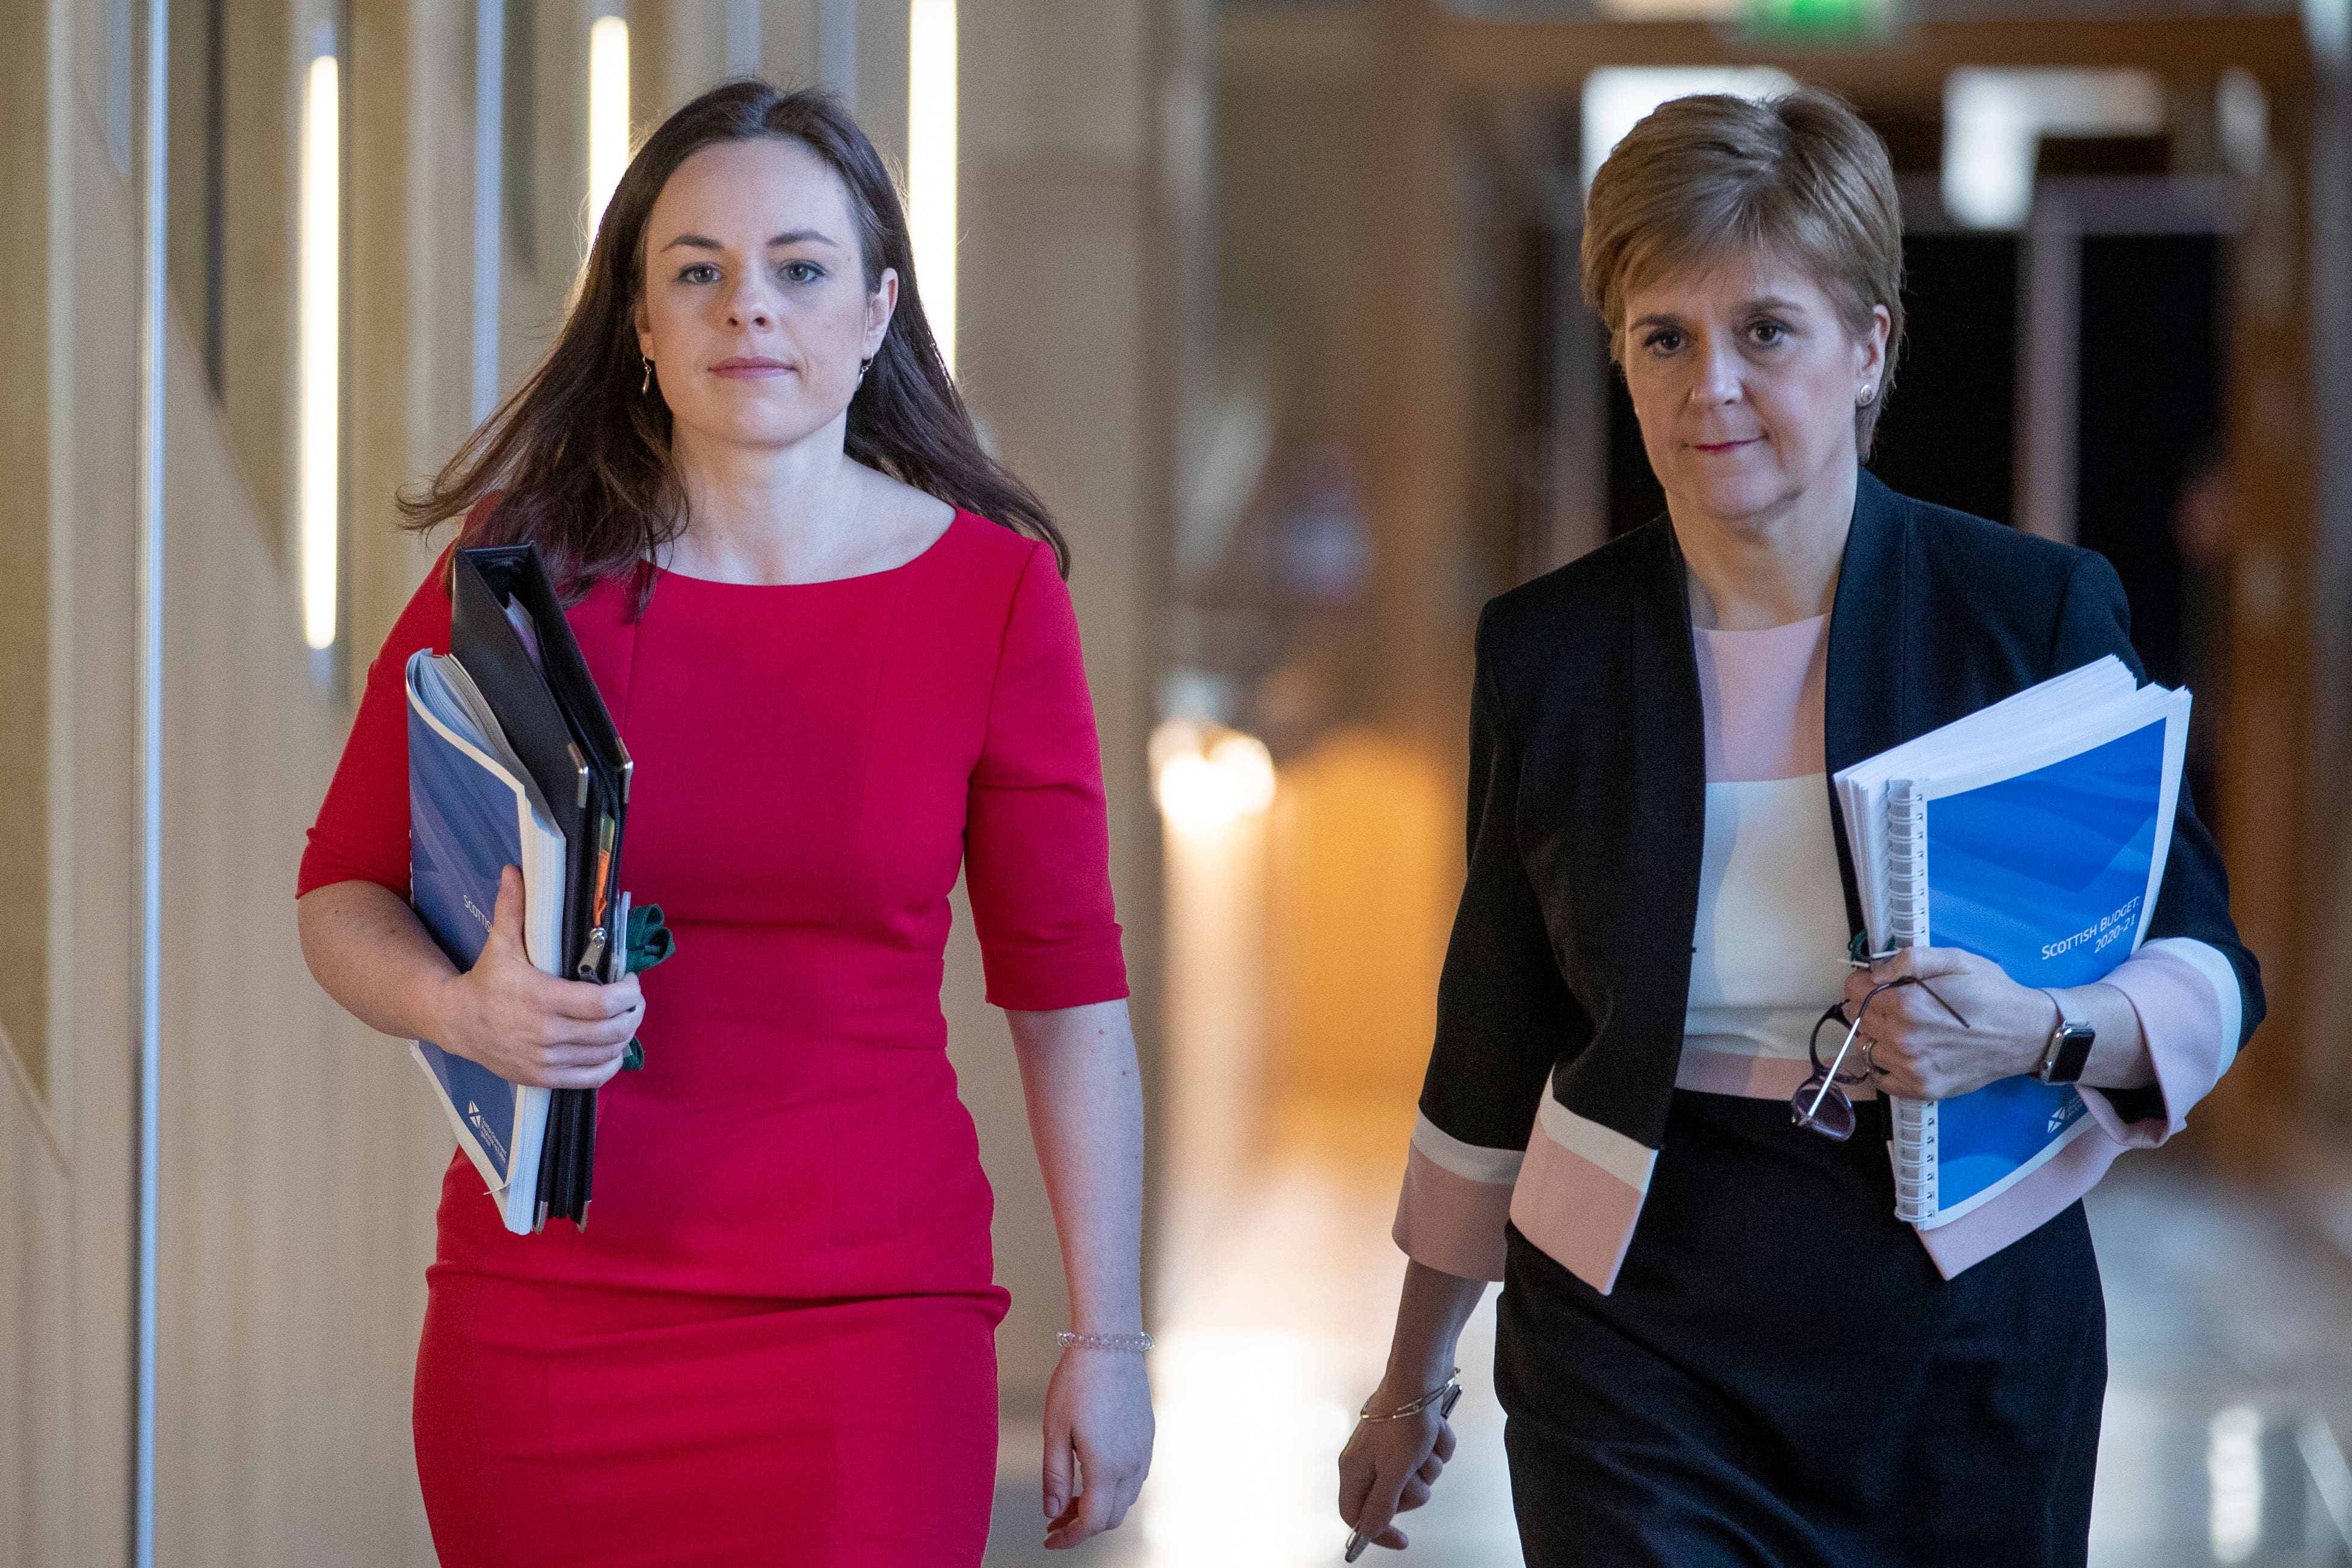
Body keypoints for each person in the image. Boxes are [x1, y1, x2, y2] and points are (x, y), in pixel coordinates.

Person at [1336, 88, 2261, 1566]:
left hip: (1962, 1336)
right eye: (1665, 337)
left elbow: (2208, 961)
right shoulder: (1549, 653)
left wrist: (2038, 1029)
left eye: (1765, 331)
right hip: (1632, 1332)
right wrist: (1408, 1376)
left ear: (1869, 349)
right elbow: (1494, 1036)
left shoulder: (2026, 615)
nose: (1712, 387)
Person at [296, 81, 1152, 1567]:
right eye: (698, 270)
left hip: (871, 1321)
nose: (749, 308)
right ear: (639, 317)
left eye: (799, 269)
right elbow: (339, 890)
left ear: (879, 309)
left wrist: (1113, 1335)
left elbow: (1066, 995)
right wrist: (459, 1010)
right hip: (549, 1317)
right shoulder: (516, 574)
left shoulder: (995, 597)